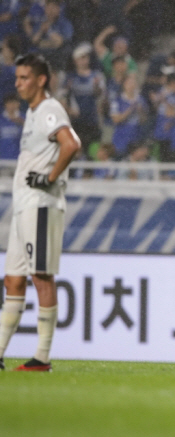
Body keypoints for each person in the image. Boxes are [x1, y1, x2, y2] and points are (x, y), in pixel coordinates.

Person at [0, 53, 81, 372]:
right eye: (17, 78)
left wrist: (49, 178)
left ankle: (42, 358)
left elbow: (71, 143)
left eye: (24, 78)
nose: (18, 83)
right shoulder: (33, 113)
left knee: (41, 276)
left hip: (41, 203)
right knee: (13, 280)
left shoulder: (49, 110)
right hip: (24, 206)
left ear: (41, 80)